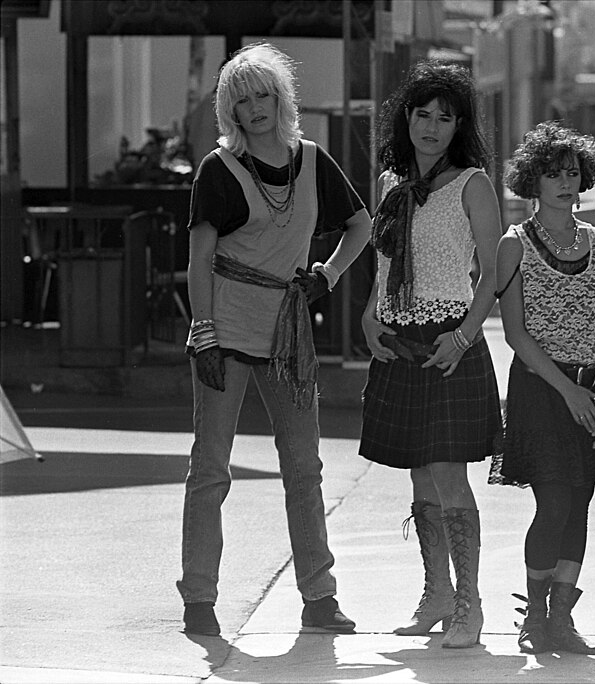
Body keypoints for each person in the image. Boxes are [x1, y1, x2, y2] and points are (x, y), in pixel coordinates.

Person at [178, 43, 372, 637]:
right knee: (212, 468)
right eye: (243, 99)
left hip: (288, 332)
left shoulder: (313, 160)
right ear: (229, 109)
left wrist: (329, 275)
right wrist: (203, 334)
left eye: (265, 95)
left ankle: (319, 597)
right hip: (227, 330)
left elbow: (361, 223)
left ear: (282, 99)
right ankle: (199, 600)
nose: (255, 107)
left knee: (303, 468)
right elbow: (200, 259)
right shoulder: (218, 168)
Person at [359, 60, 503, 649]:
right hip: (397, 342)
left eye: (445, 118)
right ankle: (436, 591)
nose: (432, 126)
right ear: (407, 119)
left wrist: (465, 336)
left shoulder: (474, 183)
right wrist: (370, 314)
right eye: (423, 114)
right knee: (420, 478)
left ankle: (469, 603)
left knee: (448, 479)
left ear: (458, 126)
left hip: (451, 340)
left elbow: (494, 273)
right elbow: (386, 261)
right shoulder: (392, 184)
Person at [488, 121, 595, 656]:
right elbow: (516, 335)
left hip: (594, 389)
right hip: (542, 392)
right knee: (554, 503)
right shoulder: (513, 244)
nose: (565, 183)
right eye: (553, 174)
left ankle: (563, 619)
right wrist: (570, 392)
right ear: (533, 181)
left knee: (582, 502)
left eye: (573, 173)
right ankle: (535, 617)